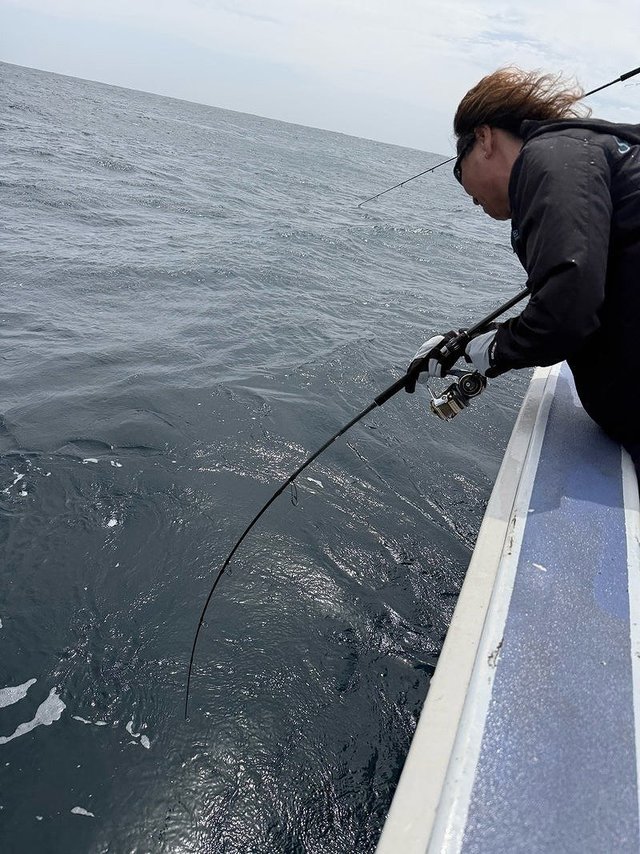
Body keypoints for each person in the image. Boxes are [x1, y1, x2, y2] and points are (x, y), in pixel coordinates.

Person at [407, 67, 640, 479]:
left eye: (460, 169)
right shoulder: (576, 158)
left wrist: (490, 350)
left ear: (484, 138)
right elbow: (580, 295)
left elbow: (565, 314)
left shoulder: (550, 156)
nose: (469, 196)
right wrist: (470, 345)